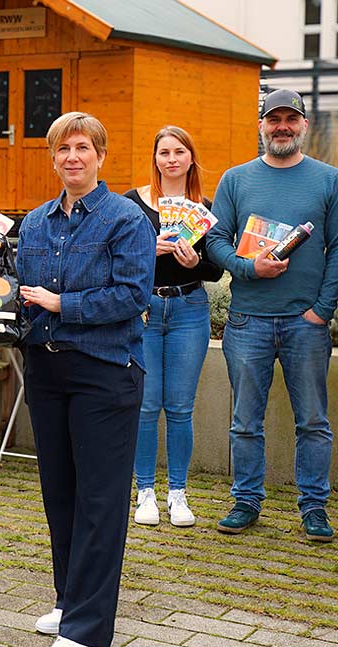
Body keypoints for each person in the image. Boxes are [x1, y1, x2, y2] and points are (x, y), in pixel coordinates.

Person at [18, 111, 154, 647]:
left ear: (100, 155)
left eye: (82, 148)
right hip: (47, 371)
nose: (72, 157)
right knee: (61, 493)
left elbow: (131, 295)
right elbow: (17, 295)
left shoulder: (126, 219)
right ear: (53, 159)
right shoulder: (34, 222)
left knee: (100, 500)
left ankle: (90, 630)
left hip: (105, 371)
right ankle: (69, 600)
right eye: (62, 150)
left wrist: (60, 304)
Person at [202, 89, 338, 541]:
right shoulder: (235, 179)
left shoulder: (328, 180)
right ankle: (246, 501)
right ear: (261, 125)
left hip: (304, 324)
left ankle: (314, 508)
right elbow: (215, 241)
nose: (282, 127)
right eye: (274, 119)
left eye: (291, 119)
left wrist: (321, 311)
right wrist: (249, 267)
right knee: (245, 421)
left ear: (304, 125)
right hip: (248, 320)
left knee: (313, 421)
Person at [124, 126, 222, 528]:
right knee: (146, 406)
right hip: (144, 310)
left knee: (180, 408)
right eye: (164, 152)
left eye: (179, 152)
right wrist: (150, 250)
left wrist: (193, 263)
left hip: (189, 308)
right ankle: (144, 491)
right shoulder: (133, 203)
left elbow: (217, 269)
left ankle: (177, 494)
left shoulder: (206, 207)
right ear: (155, 158)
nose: (172, 159)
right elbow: (119, 260)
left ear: (190, 159)